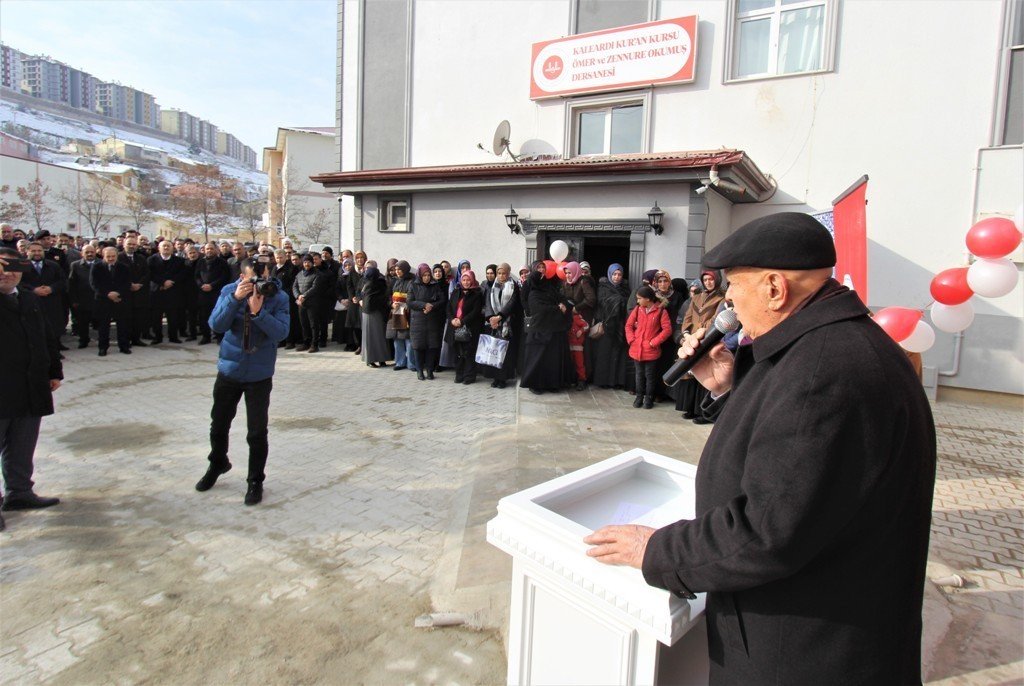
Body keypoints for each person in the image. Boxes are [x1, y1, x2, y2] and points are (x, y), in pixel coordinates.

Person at [583, 212, 937, 685]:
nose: (726, 298)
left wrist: (655, 549)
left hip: (806, 653)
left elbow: (767, 531)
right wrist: (732, 386)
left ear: (774, 288)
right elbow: (796, 453)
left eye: (734, 284)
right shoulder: (827, 345)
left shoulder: (826, 372)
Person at [195, 257, 290, 506]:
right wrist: (235, 299)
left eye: (264, 277)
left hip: (259, 374)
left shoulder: (278, 297)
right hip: (230, 370)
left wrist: (259, 313)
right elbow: (216, 324)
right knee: (219, 424)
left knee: (257, 432)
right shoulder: (229, 291)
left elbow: (282, 333)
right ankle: (218, 463)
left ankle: (255, 480)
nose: (259, 283)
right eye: (253, 279)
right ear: (242, 277)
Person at [0, 247, 63, 530]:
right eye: (1, 267)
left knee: (23, 443)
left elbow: (45, 336)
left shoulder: (27, 298)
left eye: (12, 267)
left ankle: (20, 492)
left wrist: (53, 371)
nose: (6, 273)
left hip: (29, 385)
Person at [676, 269, 726, 423]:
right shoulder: (696, 297)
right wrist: (686, 334)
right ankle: (690, 408)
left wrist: (701, 333)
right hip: (692, 338)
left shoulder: (722, 298)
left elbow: (716, 320)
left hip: (708, 340)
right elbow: (688, 317)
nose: (708, 282)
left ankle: (703, 412)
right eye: (705, 280)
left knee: (707, 375)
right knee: (691, 373)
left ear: (716, 280)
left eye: (711, 279)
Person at [519, 262, 571, 395]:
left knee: (551, 359)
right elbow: (539, 309)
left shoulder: (549, 288)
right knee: (537, 360)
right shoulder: (533, 293)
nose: (543, 278)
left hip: (554, 330)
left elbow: (561, 299)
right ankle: (535, 385)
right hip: (539, 331)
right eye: (540, 276)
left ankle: (552, 384)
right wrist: (557, 308)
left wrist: (562, 304)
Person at [624, 285, 671, 409]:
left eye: (639, 298)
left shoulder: (661, 311)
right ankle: (639, 397)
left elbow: (667, 330)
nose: (637, 301)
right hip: (637, 347)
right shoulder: (638, 309)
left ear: (648, 299)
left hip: (651, 349)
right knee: (639, 374)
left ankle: (649, 398)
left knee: (650, 375)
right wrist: (631, 339)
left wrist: (654, 342)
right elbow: (628, 325)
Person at [481, 263, 521, 389]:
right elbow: (488, 302)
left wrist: (500, 316)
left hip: (507, 325)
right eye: (499, 273)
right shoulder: (492, 286)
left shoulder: (513, 286)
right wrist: (491, 318)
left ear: (508, 273)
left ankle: (503, 379)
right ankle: (495, 378)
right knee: (494, 351)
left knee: (505, 353)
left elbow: (512, 303)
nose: (501, 275)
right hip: (494, 324)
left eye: (504, 273)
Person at [21, 242, 67, 349]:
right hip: (31, 302)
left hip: (51, 301)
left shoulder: (53, 265)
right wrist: (33, 290)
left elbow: (63, 281)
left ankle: (54, 350)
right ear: (27, 252)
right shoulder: (22, 266)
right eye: (33, 251)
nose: (37, 253)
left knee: (53, 327)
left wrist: (51, 288)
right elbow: (18, 283)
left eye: (39, 251)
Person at [591, 263, 630, 389]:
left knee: (618, 354)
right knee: (605, 354)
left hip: (620, 325)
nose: (617, 277)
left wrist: (619, 300)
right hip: (607, 325)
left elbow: (628, 303)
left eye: (619, 274)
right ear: (610, 275)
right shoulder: (603, 287)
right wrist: (618, 300)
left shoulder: (625, 288)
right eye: (614, 274)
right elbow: (603, 301)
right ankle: (603, 381)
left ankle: (616, 381)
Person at [90, 246, 133, 356]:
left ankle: (124, 346)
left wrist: (118, 293)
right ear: (103, 256)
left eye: (113, 256)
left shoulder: (124, 267)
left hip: (120, 300)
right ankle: (103, 348)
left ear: (117, 256)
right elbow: (94, 284)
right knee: (103, 326)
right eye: (108, 256)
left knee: (122, 325)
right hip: (103, 301)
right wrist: (108, 294)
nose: (110, 258)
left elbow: (127, 284)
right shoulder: (96, 267)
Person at [445, 269, 484, 384]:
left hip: (469, 328)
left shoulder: (477, 294)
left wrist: (462, 321)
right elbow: (449, 308)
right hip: (454, 327)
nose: (466, 282)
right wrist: (452, 319)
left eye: (468, 280)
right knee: (457, 353)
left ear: (472, 280)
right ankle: (459, 375)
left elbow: (475, 311)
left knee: (468, 353)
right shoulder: (456, 292)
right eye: (464, 280)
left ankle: (469, 376)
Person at [409, 263, 447, 380]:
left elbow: (442, 300)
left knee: (432, 346)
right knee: (418, 347)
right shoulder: (413, 285)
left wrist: (431, 306)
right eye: (424, 275)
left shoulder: (435, 285)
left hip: (432, 320)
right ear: (420, 275)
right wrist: (423, 305)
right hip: (418, 320)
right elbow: (410, 302)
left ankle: (430, 370)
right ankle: (420, 371)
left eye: (428, 275)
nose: (426, 277)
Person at [148, 239, 186, 344]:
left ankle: (173, 337)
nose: (166, 248)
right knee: (156, 317)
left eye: (168, 246)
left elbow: (182, 274)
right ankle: (158, 337)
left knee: (173, 317)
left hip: (172, 292)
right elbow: (150, 274)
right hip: (157, 292)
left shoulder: (179, 261)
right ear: (159, 248)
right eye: (163, 246)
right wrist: (163, 283)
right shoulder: (151, 260)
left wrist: (171, 282)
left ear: (172, 248)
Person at [195, 242, 230, 345]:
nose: (209, 251)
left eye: (211, 249)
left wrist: (212, 285)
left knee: (218, 315)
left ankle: (219, 337)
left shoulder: (222, 262)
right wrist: (201, 285)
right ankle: (206, 337)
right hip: (203, 293)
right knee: (203, 316)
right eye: (207, 249)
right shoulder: (201, 262)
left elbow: (224, 276)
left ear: (216, 250)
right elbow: (196, 276)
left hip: (217, 293)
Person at [119, 235, 151, 346]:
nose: (132, 246)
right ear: (124, 245)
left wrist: (139, 284)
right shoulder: (118, 257)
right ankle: (125, 340)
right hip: (125, 293)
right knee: (125, 319)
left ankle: (136, 339)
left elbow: (146, 273)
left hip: (139, 293)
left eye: (134, 244)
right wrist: (129, 285)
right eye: (129, 244)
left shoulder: (141, 258)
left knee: (138, 319)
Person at [358, 262, 390, 368]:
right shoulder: (370, 284)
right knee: (372, 337)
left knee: (378, 337)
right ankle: (371, 360)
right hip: (372, 313)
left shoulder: (372, 284)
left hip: (373, 313)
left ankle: (380, 359)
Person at [67, 244, 99, 349]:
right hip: (82, 299)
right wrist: (74, 300)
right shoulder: (75, 265)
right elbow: (72, 284)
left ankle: (103, 341)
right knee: (82, 323)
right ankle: (83, 340)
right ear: (82, 253)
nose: (90, 254)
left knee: (100, 322)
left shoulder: (101, 263)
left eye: (92, 252)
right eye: (87, 252)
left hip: (98, 299)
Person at [387, 260, 416, 371]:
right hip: (395, 312)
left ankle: (411, 364)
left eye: (400, 269)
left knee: (408, 339)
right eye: (396, 269)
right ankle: (399, 362)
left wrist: (405, 303)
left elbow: (412, 295)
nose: (397, 272)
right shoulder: (394, 282)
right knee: (397, 338)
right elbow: (388, 296)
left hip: (407, 312)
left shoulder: (412, 280)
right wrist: (392, 304)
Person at [293, 253, 324, 352]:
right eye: (305, 262)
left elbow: (315, 288)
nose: (307, 264)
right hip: (301, 303)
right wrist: (298, 296)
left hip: (313, 303)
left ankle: (314, 345)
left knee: (313, 324)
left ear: (312, 263)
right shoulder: (299, 274)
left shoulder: (317, 274)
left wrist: (304, 296)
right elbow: (294, 287)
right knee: (304, 324)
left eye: (309, 262)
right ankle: (306, 343)